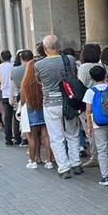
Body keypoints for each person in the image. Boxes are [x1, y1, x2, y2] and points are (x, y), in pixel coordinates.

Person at [35, 35, 83, 179]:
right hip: (69, 101)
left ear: (45, 48)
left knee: (56, 137)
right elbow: (74, 75)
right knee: (73, 133)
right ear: (59, 46)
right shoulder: (69, 59)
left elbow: (39, 81)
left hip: (50, 103)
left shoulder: (39, 65)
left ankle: (64, 167)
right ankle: (76, 163)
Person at [83, 65, 108, 186]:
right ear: (105, 75)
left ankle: (105, 177)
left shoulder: (90, 91)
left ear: (92, 78)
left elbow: (88, 110)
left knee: (102, 149)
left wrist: (89, 126)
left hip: (97, 124)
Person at [21, 59, 54, 169]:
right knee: (46, 136)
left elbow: (22, 101)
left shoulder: (25, 83)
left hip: (31, 110)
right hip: (43, 108)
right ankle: (49, 161)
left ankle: (33, 160)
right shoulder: (43, 81)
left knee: (32, 138)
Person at [77, 44, 103, 166]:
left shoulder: (83, 68)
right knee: (102, 130)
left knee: (91, 130)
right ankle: (103, 154)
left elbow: (80, 86)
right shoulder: (101, 65)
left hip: (88, 104)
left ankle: (96, 157)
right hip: (101, 103)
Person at [10, 50, 34, 146]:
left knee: (24, 119)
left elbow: (13, 85)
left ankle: (25, 139)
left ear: (21, 58)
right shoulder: (36, 68)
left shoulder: (15, 71)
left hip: (22, 95)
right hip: (37, 95)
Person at [0, 50, 19, 146]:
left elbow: (0, 79)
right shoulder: (13, 66)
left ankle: (8, 139)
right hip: (14, 92)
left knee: (7, 117)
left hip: (5, 93)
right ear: (10, 57)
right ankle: (17, 138)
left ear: (2, 58)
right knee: (16, 116)